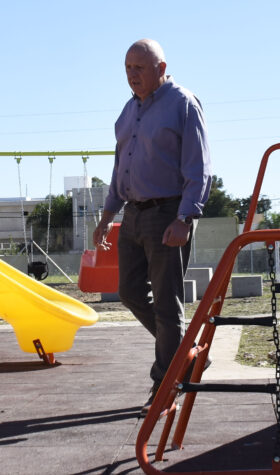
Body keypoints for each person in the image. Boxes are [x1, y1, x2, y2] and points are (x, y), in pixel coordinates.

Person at [92, 39, 212, 416]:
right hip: (132, 216)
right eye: (128, 68)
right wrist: (106, 215)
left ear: (161, 68)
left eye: (139, 68)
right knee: (128, 292)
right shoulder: (128, 111)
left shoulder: (183, 103)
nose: (132, 75)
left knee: (166, 304)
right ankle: (185, 359)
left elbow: (200, 167)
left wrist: (185, 217)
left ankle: (165, 386)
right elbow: (119, 170)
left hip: (167, 215)